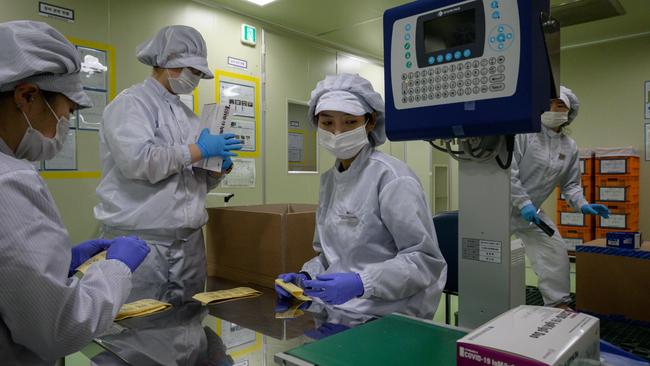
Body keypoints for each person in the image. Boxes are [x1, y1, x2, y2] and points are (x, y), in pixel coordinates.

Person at [0, 21, 150, 365]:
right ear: (26, 97)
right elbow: (63, 327)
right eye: (65, 114)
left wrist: (55, 266)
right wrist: (114, 269)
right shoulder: (9, 181)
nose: (62, 128)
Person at [275, 73, 447, 320]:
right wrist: (306, 277)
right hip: (339, 312)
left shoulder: (392, 178)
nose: (337, 132)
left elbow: (423, 260)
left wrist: (362, 283)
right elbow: (328, 255)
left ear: (370, 122)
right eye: (327, 123)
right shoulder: (330, 180)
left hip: (389, 316)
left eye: (349, 122)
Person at [94, 25, 242, 304]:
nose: (195, 78)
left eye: (199, 73)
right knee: (137, 329)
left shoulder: (188, 116)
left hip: (189, 244)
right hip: (142, 243)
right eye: (191, 70)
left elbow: (194, 183)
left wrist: (218, 167)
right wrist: (198, 149)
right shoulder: (131, 104)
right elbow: (138, 163)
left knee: (188, 325)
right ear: (165, 62)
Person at [511, 86, 609, 308]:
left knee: (554, 250)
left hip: (531, 213)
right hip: (502, 207)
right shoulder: (523, 133)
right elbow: (508, 171)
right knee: (490, 255)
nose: (554, 107)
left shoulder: (569, 146)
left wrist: (582, 204)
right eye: (550, 102)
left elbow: (571, 184)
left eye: (560, 104)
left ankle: (558, 304)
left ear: (569, 113)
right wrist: (523, 202)